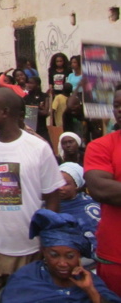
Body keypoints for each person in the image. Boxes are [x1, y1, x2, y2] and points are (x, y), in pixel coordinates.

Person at [0, 88, 65, 303]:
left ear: (5, 112)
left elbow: (53, 197)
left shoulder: (38, 148)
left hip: (27, 249)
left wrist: (46, 239)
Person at [1, 209, 121, 303]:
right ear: (44, 252)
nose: (62, 263)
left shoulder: (91, 282)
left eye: (70, 256)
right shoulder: (25, 280)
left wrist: (90, 290)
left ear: (79, 255)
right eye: (54, 255)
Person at [84, 86, 121, 296]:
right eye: (116, 105)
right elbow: (101, 189)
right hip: (115, 256)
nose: (120, 110)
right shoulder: (101, 146)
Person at [58, 162, 100, 252]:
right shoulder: (48, 204)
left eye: (65, 184)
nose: (60, 187)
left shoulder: (89, 206)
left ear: (76, 186)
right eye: (57, 182)